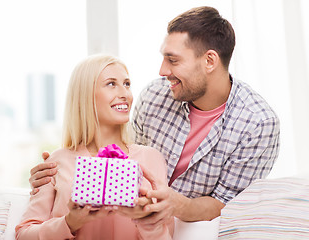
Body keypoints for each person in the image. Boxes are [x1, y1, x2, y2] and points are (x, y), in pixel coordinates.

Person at [29, 6, 280, 227]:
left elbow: (228, 204)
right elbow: (125, 155)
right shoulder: (154, 95)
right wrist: (58, 178)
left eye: (173, 60)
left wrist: (176, 206)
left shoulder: (258, 124)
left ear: (210, 61)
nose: (162, 71)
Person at [16, 54, 173, 240]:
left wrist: (148, 220)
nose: (125, 93)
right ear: (85, 94)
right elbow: (24, 234)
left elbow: (167, 235)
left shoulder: (151, 158)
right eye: (111, 84)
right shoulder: (57, 162)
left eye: (127, 84)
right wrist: (70, 222)